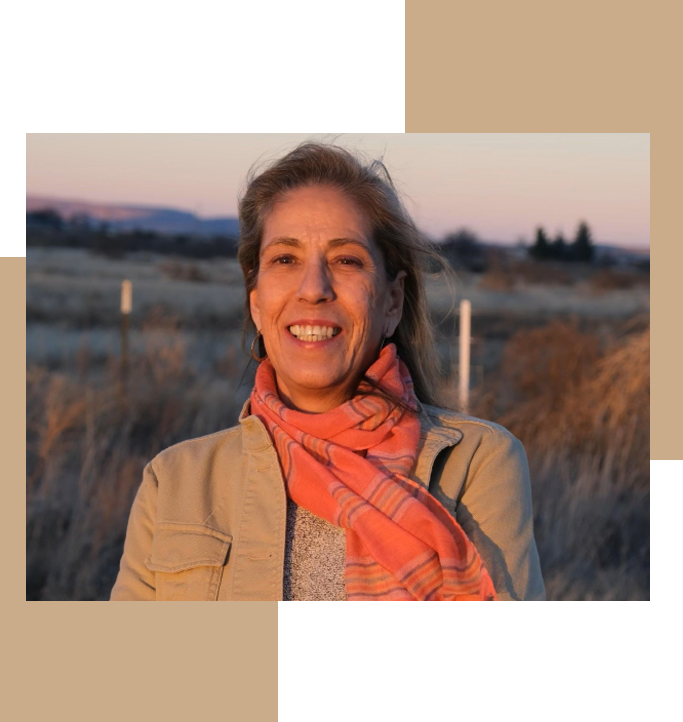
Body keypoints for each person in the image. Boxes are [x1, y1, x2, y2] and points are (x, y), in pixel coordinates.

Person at [110, 141, 546, 602]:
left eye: (346, 260)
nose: (314, 288)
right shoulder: (175, 482)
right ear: (256, 302)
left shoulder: (478, 462)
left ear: (391, 301)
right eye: (285, 259)